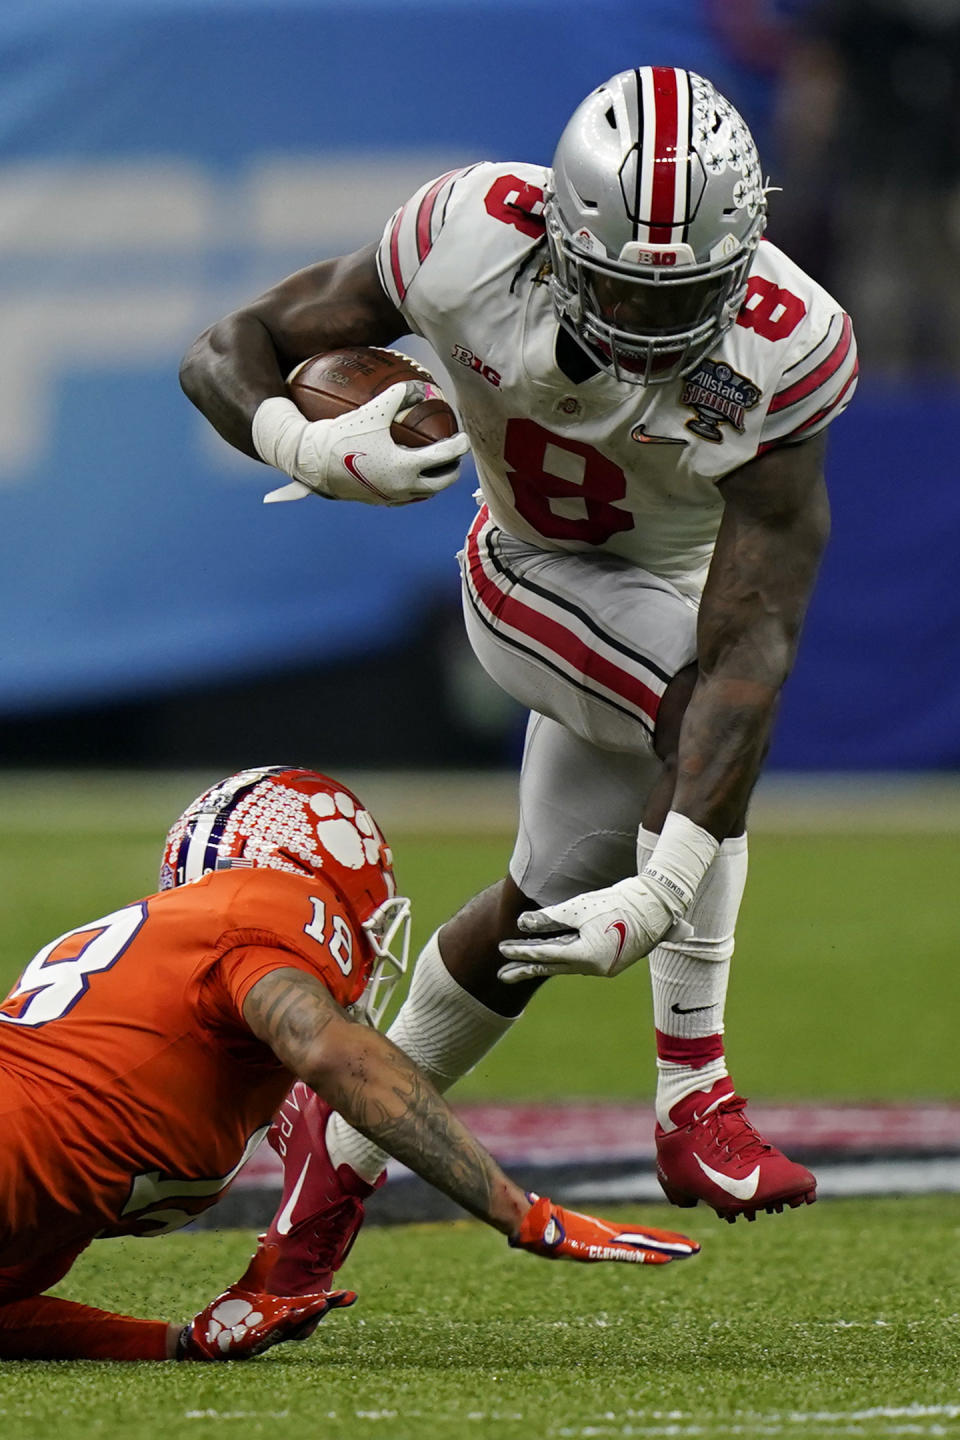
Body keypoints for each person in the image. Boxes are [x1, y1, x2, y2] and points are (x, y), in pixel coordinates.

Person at [180, 65, 858, 1299]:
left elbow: (759, 634)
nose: (655, 329)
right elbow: (229, 351)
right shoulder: (466, 236)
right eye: (622, 290)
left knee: (543, 904)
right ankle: (692, 1092)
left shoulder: (788, 341)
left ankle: (327, 1171)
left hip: (676, 589)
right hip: (527, 572)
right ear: (560, 234)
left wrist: (657, 891)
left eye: (687, 294)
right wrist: (305, 440)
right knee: (682, 696)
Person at [0, 765, 698, 1363]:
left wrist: (177, 1344)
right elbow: (332, 1051)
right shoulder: (262, 907)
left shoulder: (131, 1025)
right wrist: (521, 1213)